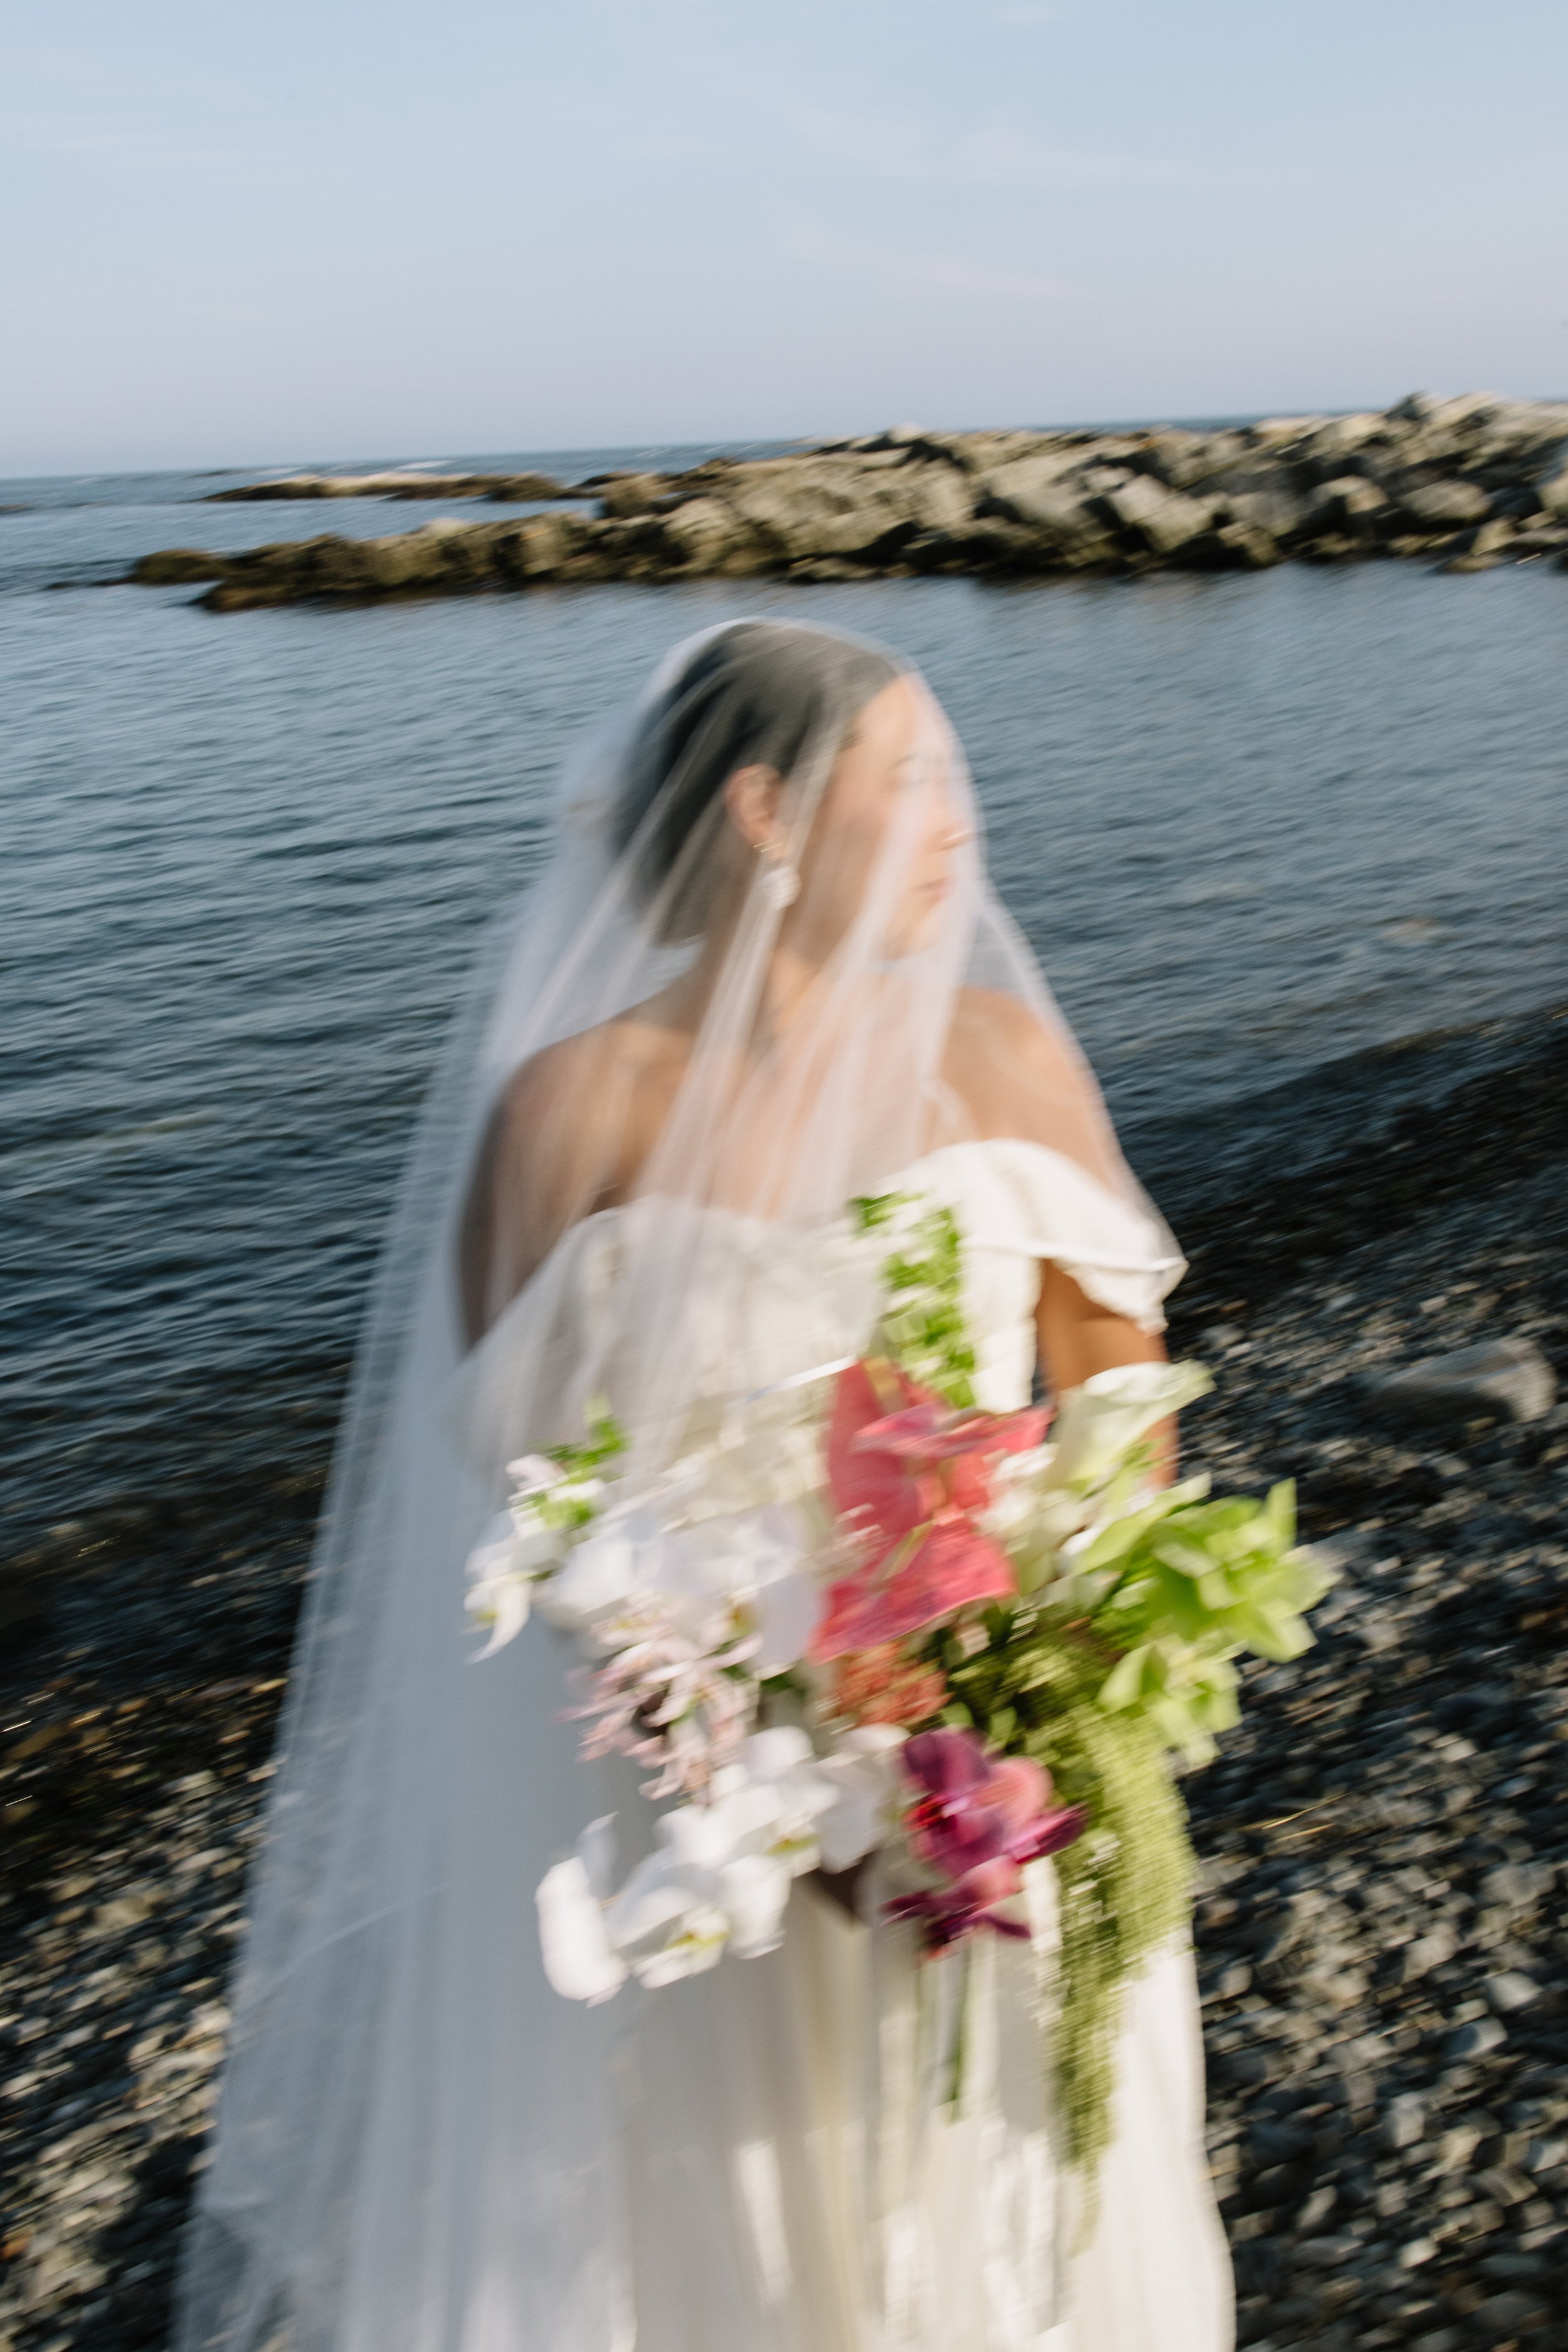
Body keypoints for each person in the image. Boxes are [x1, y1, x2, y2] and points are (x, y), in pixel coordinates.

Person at [179, 620, 1234, 2352]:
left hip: (1001, 1779)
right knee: (726, 2241)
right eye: (914, 783)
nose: (961, 830)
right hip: (713, 1815)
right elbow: (532, 1504)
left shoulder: (997, 1058)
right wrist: (743, 1759)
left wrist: (1047, 1682)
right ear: (766, 809)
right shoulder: (567, 1110)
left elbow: (1119, 1395)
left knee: (1015, 2206)